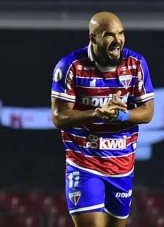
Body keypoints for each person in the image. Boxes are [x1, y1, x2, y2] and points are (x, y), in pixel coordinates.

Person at [50, 12, 155, 227]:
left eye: (121, 33)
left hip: (122, 165)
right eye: (109, 35)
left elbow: (148, 112)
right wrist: (97, 113)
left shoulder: (136, 64)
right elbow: (59, 117)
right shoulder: (70, 66)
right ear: (93, 38)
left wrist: (121, 114)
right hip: (84, 163)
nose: (118, 40)